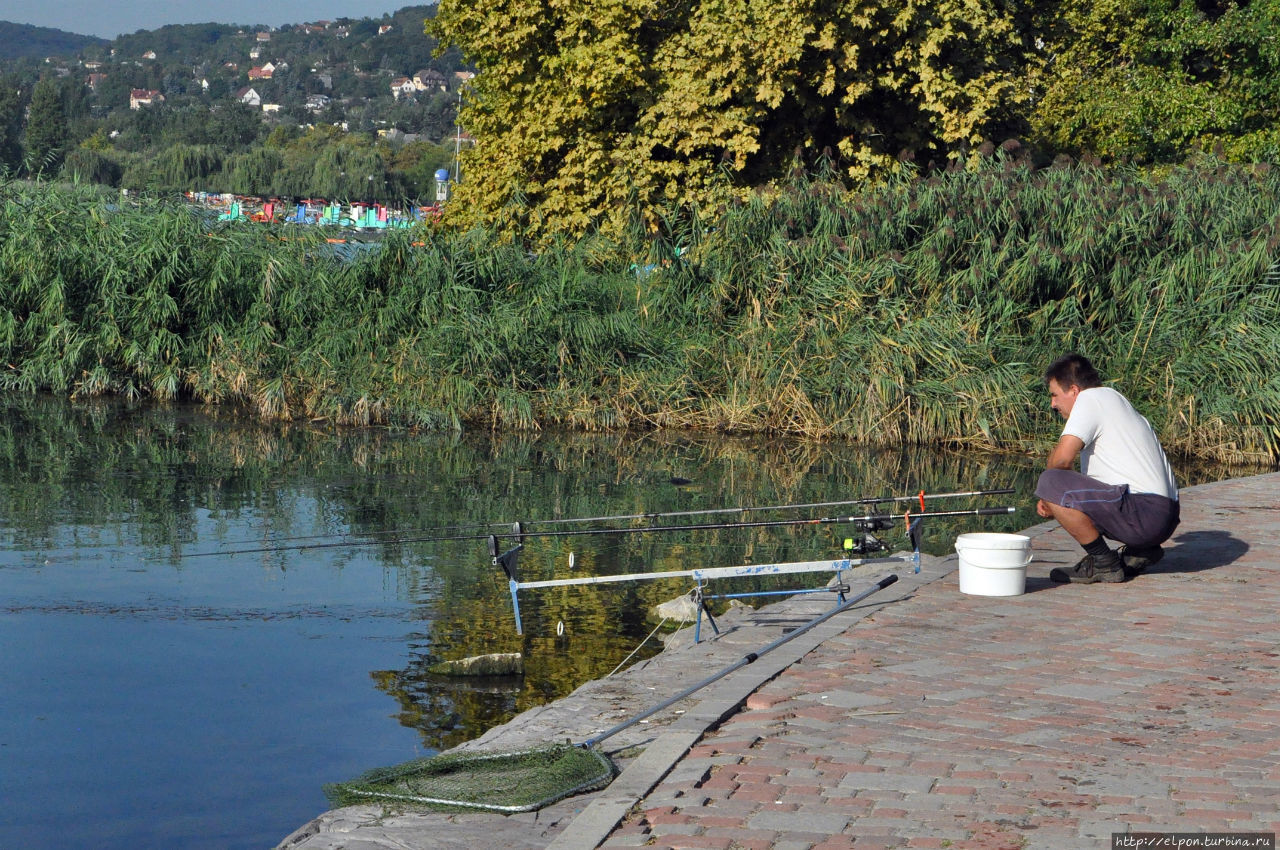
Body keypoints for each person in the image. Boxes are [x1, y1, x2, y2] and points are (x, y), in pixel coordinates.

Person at [1034, 354, 1180, 583]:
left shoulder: (1088, 400)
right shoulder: (1115, 400)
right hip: (1165, 517)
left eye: (1054, 395)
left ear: (1073, 390)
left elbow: (1061, 461)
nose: (1052, 404)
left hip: (1144, 514)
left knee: (1050, 481)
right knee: (1069, 488)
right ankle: (1140, 551)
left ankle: (1104, 562)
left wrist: (1048, 497)